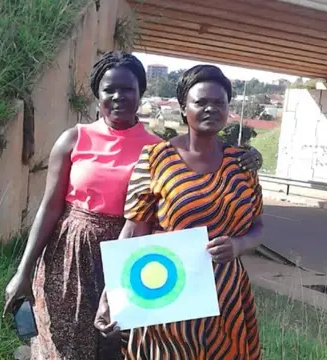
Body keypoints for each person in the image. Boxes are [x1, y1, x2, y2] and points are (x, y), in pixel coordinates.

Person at [4, 51, 262, 360]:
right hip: (71, 256)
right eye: (108, 89)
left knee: (117, 348)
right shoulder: (74, 139)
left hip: (138, 261)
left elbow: (207, 182)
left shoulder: (157, 149)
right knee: (62, 345)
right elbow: (49, 207)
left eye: (128, 89)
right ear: (97, 95)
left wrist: (250, 159)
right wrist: (24, 270)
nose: (117, 97)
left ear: (141, 93)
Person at [95, 65, 265, 359]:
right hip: (165, 289)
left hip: (225, 294)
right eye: (201, 102)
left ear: (228, 109)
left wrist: (239, 245)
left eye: (219, 103)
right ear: (184, 107)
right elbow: (134, 228)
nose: (211, 108)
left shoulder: (242, 164)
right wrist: (111, 292)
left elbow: (259, 228)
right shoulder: (156, 158)